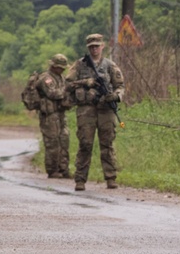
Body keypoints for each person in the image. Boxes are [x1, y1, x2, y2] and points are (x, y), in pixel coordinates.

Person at [66, 34, 126, 191]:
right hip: (86, 110)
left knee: (107, 144)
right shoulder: (80, 65)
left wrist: (116, 96)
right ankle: (80, 180)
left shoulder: (109, 65)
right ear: (88, 48)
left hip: (105, 110)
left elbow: (120, 85)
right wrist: (85, 82)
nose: (94, 49)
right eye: (91, 46)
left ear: (102, 46)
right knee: (85, 144)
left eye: (97, 46)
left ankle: (111, 178)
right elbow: (68, 83)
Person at [37, 53, 71, 179]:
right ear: (53, 66)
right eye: (59, 67)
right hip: (49, 116)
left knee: (64, 140)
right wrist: (67, 90)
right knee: (52, 142)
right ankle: (53, 170)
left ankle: (64, 168)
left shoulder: (60, 77)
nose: (62, 69)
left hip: (61, 113)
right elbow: (52, 93)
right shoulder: (46, 78)